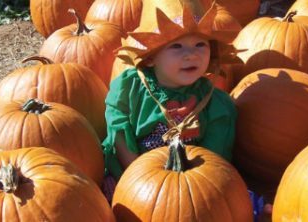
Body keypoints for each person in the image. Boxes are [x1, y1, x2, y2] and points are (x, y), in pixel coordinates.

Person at [102, 2, 240, 191]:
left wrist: (194, 188)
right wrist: (134, 179)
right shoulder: (130, 88)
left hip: (191, 182)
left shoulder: (214, 102)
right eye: (176, 46)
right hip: (135, 175)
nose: (191, 55)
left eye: (200, 44)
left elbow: (213, 158)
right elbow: (119, 133)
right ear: (151, 58)